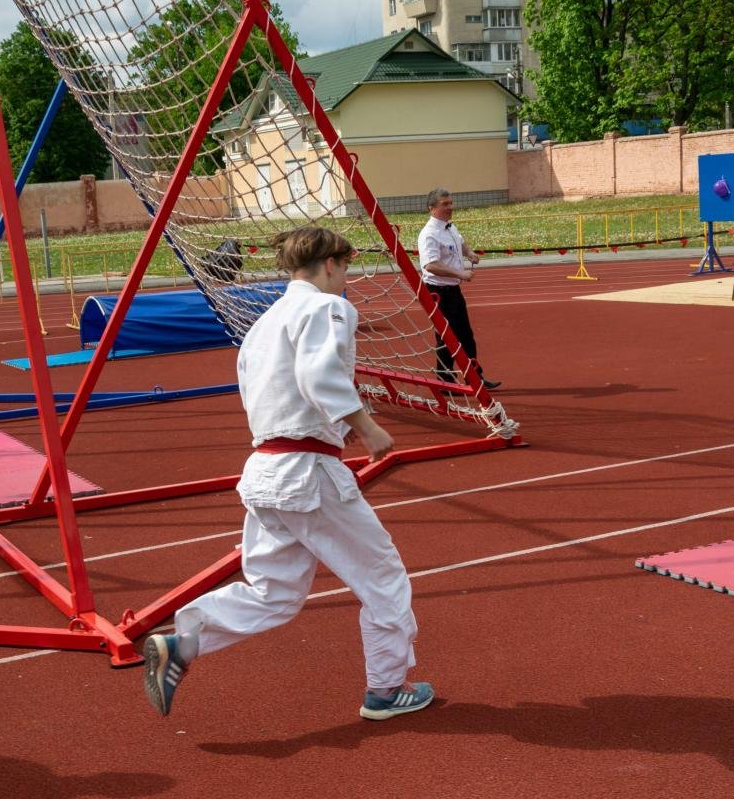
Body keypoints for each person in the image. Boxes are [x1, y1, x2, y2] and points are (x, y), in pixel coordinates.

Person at [143, 226, 432, 722]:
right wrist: (362, 424)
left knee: (272, 592)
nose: (347, 278)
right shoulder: (327, 308)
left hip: (265, 471)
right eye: (346, 267)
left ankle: (183, 643)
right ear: (331, 264)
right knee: (382, 576)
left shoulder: (263, 323)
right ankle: (387, 689)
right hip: (308, 471)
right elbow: (320, 375)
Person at [417, 188, 501, 389]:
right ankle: (445, 382)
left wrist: (470, 253)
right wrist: (461, 274)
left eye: (451, 203)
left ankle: (475, 378)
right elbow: (430, 265)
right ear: (432, 208)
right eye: (445, 204)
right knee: (446, 337)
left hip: (453, 291)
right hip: (437, 292)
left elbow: (460, 242)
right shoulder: (429, 234)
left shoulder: (449, 227)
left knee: (466, 336)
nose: (450, 207)